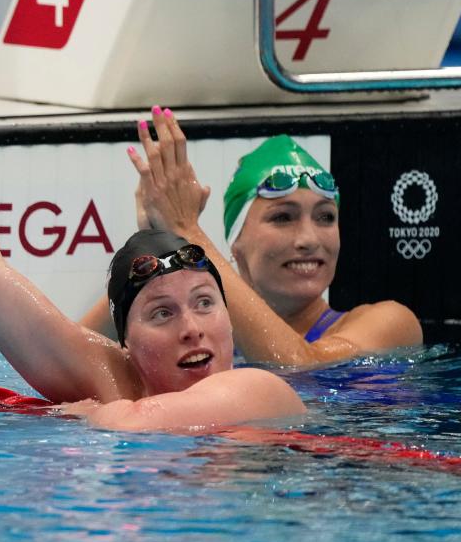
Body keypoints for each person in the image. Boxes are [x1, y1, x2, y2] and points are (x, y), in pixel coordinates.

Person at [0, 20, 304, 432]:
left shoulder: (257, 389)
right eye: (162, 313)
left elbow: (130, 424)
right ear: (127, 345)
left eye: (205, 303)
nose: (192, 329)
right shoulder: (123, 384)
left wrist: (93, 410)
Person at [109, 110, 422, 368]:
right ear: (236, 241)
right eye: (283, 217)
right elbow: (78, 368)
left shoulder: (390, 322)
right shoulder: (199, 338)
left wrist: (186, 230)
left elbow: (301, 367)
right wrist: (156, 246)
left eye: (325, 217)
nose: (309, 239)